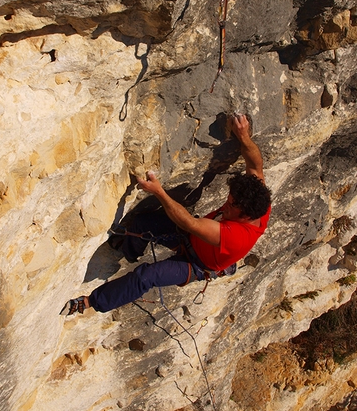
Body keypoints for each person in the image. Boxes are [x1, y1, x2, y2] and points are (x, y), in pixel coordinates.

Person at [60, 114, 271, 316]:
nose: (227, 205)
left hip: (197, 264)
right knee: (142, 223)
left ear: (244, 215)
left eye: (232, 205)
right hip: (193, 239)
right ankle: (127, 250)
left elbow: (190, 223)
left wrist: (159, 192)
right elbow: (255, 165)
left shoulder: (236, 236)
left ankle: (90, 302)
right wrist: (244, 136)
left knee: (147, 276)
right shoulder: (256, 198)